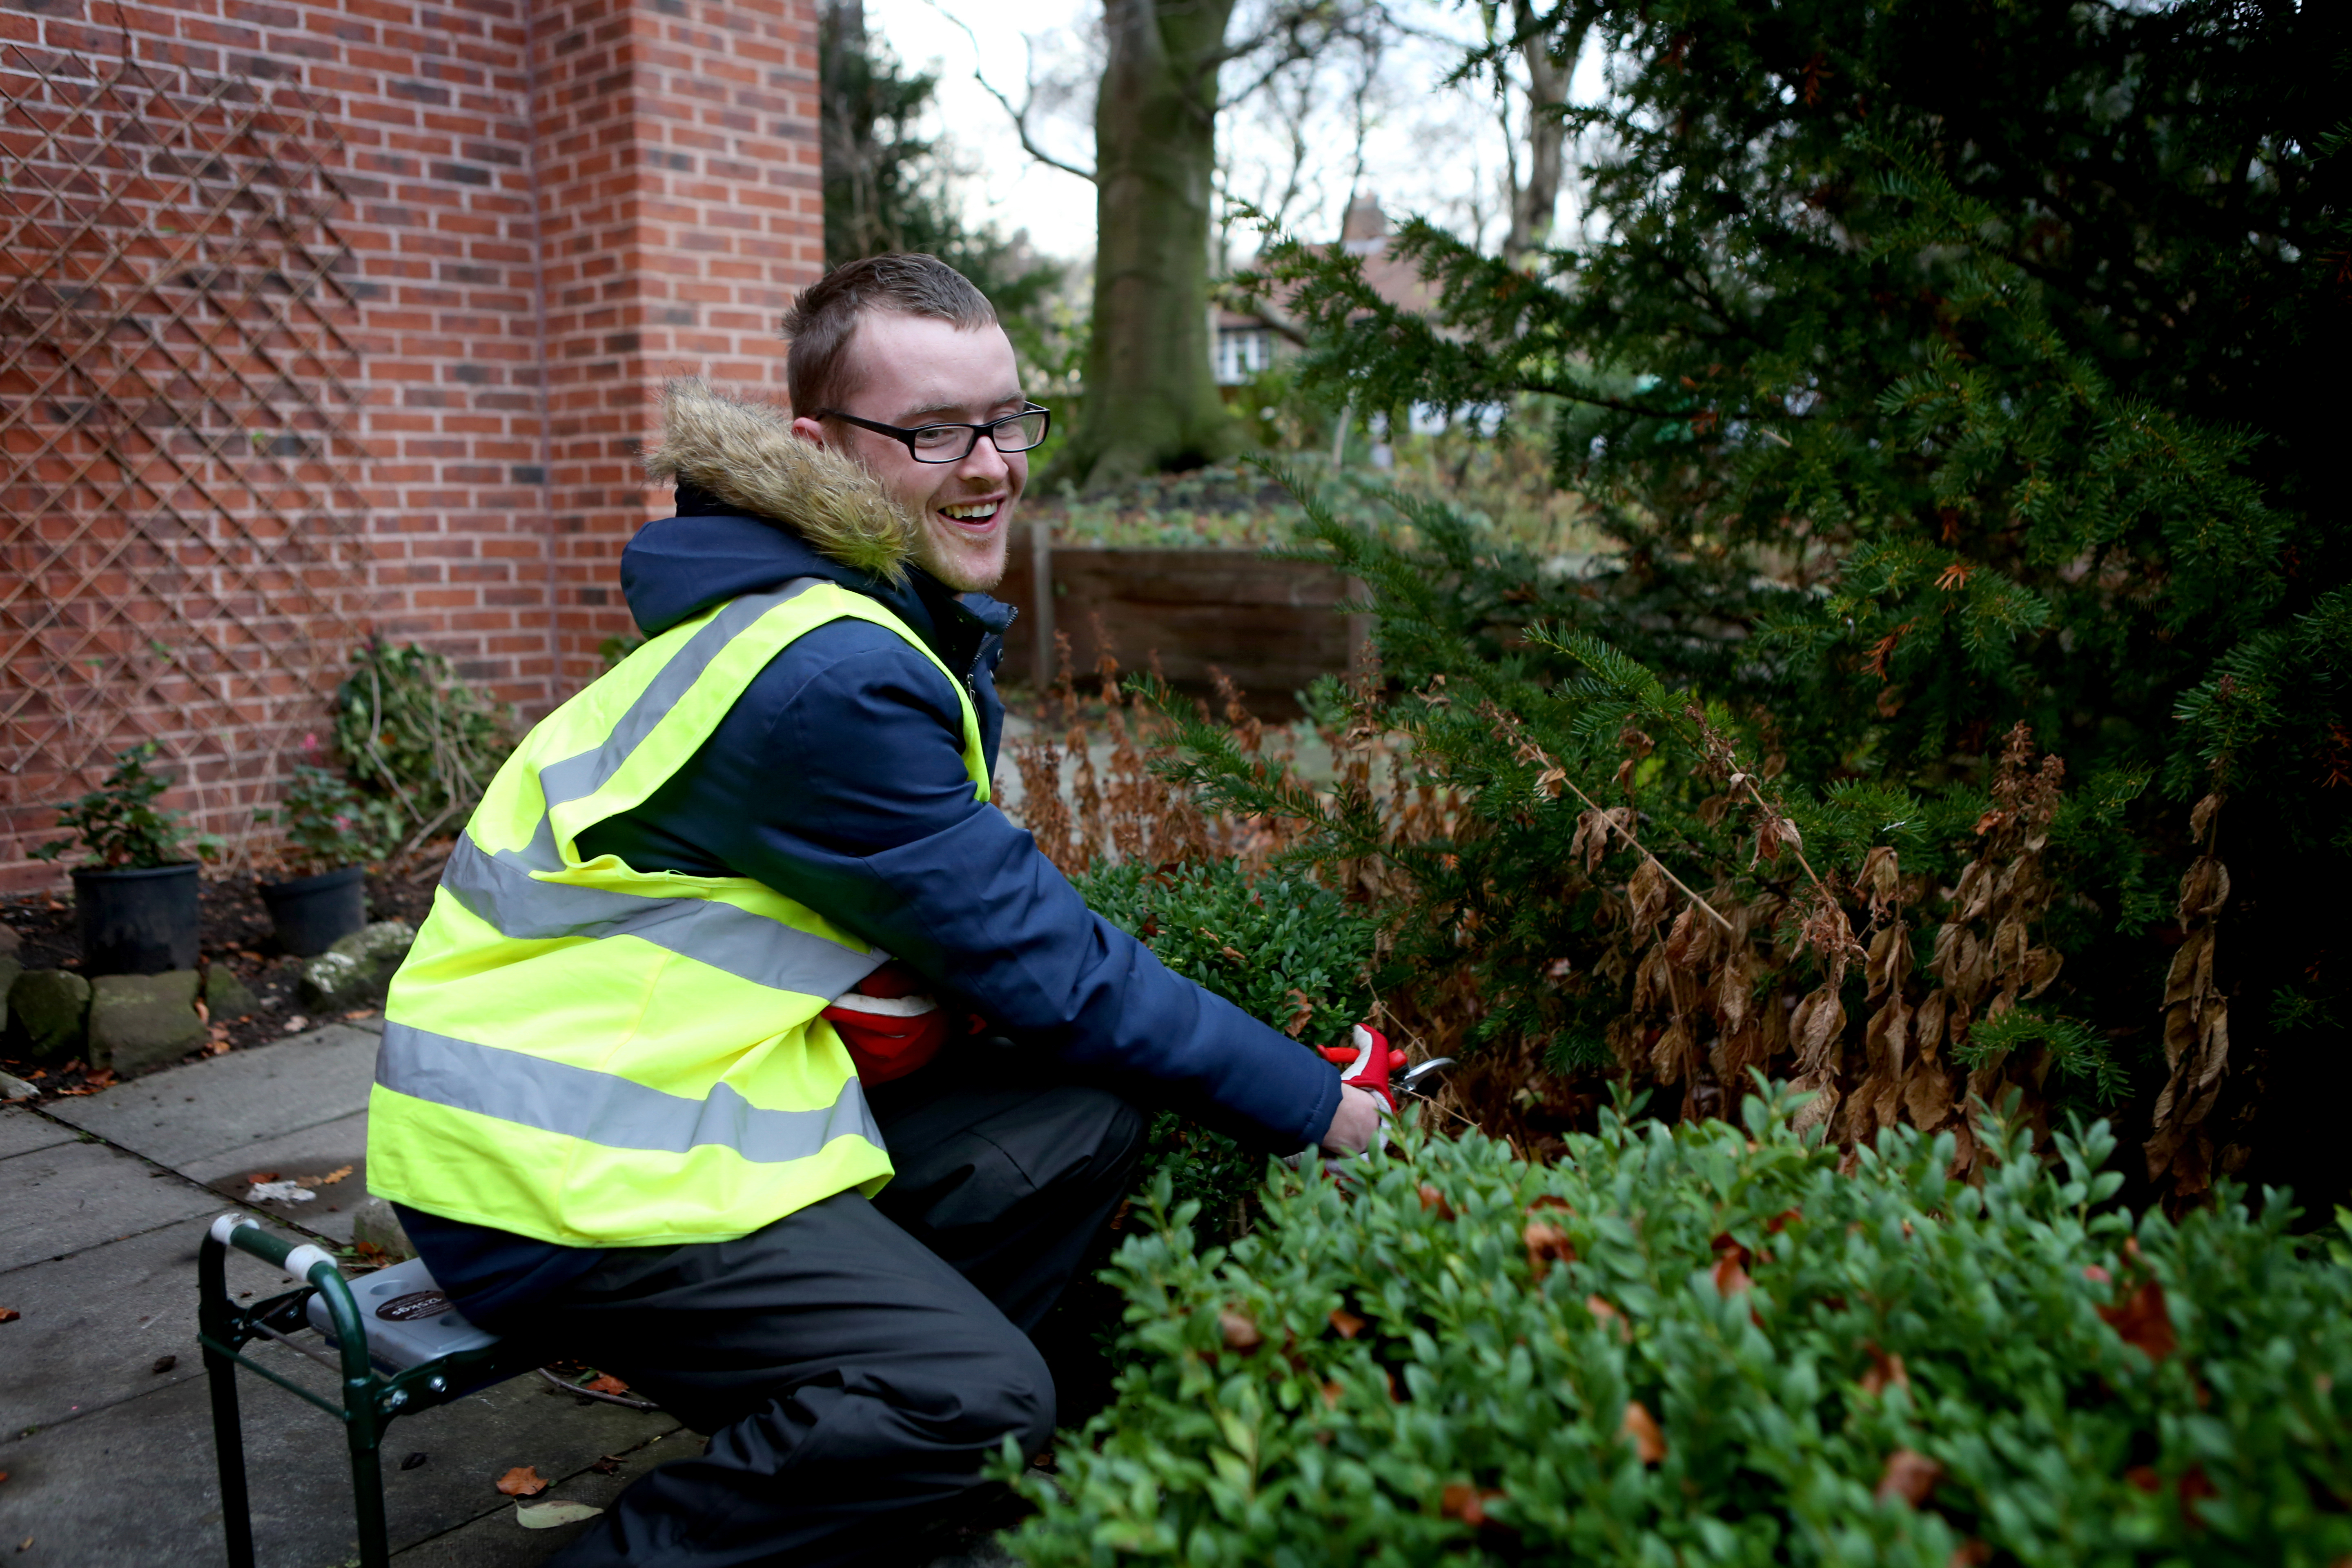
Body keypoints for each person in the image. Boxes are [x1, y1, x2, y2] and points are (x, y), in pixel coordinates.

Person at [364, 252, 1383, 1567]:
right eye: (932, 431)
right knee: (982, 1400)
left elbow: (995, 953)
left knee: (1086, 1113)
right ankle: (894, 1426)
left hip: (649, 1109)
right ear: (818, 447)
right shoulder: (826, 673)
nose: (991, 465)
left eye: (1009, 417)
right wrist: (1320, 1103)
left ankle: (867, 1440)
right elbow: (1053, 965)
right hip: (556, 1175)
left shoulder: (833, 613)